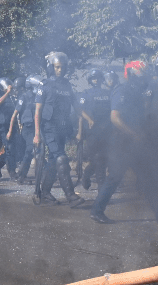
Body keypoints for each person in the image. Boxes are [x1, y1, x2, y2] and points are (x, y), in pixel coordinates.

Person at [89, 61, 158, 224]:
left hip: (135, 143)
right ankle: (96, 210)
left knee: (148, 177)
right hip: (122, 143)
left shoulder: (139, 92)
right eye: (141, 74)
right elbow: (115, 118)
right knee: (114, 178)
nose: (144, 77)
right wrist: (135, 133)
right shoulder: (122, 90)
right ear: (132, 74)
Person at [33, 51, 85, 206]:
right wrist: (37, 134)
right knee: (61, 158)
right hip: (48, 128)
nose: (60, 70)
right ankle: (71, 196)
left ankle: (45, 194)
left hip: (62, 128)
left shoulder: (67, 85)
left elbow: (76, 107)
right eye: (57, 67)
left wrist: (88, 119)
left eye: (62, 67)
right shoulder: (45, 84)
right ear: (51, 67)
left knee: (54, 161)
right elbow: (38, 111)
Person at [77, 69, 112, 190]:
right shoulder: (86, 93)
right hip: (92, 132)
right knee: (97, 159)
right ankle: (100, 187)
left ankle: (88, 176)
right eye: (93, 78)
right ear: (90, 80)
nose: (96, 80)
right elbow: (80, 110)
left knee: (103, 158)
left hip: (106, 131)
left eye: (98, 78)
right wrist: (89, 121)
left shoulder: (107, 93)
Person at [11, 75, 42, 184]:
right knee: (30, 151)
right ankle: (21, 176)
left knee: (36, 151)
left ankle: (38, 175)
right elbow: (15, 114)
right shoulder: (24, 97)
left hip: (36, 127)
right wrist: (12, 129)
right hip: (28, 128)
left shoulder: (37, 96)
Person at [0, 77, 18, 180]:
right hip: (2, 126)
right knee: (9, 148)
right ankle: (12, 172)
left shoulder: (11, 97)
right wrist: (7, 93)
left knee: (13, 148)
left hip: (11, 125)